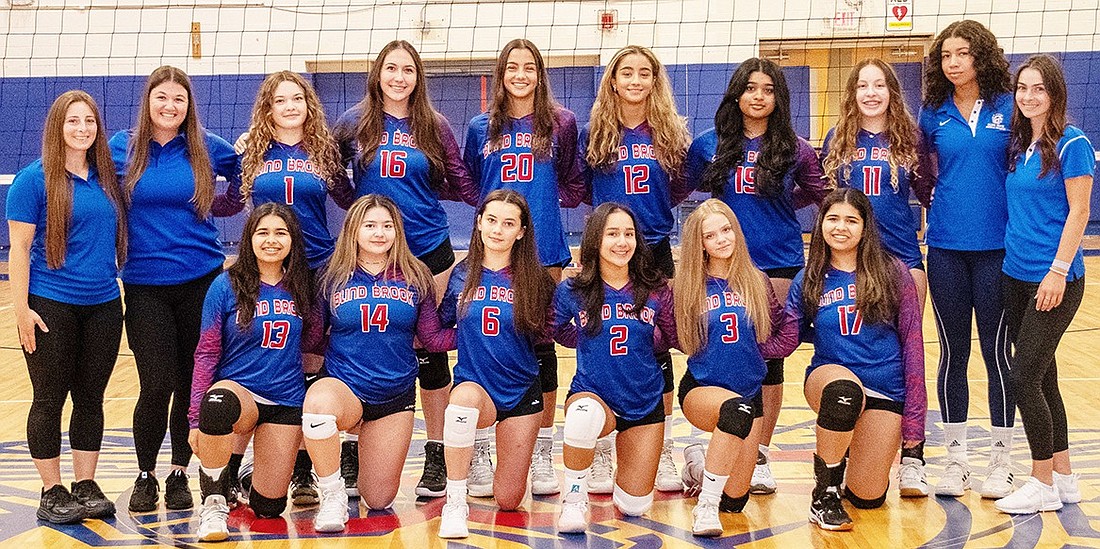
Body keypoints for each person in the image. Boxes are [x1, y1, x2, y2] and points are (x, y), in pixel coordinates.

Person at [333, 40, 477, 498]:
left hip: (426, 250)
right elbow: (335, 181)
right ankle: (353, 446)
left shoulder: (434, 125)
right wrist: (360, 215)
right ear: (378, 74)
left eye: (408, 70)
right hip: (371, 251)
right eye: (391, 69)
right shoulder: (353, 123)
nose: (399, 77)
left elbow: (459, 178)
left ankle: (436, 451)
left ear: (418, 78)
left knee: (428, 349)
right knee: (363, 342)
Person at [687, 57, 829, 495]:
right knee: (724, 349)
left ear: (778, 98)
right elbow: (688, 186)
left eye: (768, 89)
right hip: (721, 262)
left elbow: (821, 193)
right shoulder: (709, 144)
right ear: (737, 93)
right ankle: (719, 440)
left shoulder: (796, 148)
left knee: (768, 360)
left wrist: (781, 199)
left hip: (776, 260)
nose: (759, 96)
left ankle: (760, 453)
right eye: (751, 88)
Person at [109, 65, 242, 512]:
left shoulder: (206, 147)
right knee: (156, 382)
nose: (170, 106)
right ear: (148, 101)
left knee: (192, 383)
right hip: (145, 285)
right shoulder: (121, 148)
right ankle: (146, 474)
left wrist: (226, 203)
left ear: (189, 106)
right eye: (161, 97)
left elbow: (248, 170)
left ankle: (180, 471)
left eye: (179, 99)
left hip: (202, 280)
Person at [463, 38, 585, 497]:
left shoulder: (561, 122)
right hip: (495, 243)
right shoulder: (481, 127)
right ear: (501, 73)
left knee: (540, 338)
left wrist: (545, 207)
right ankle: (477, 446)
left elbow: (573, 178)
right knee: (484, 335)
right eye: (511, 67)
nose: (520, 75)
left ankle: (540, 447)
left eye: (528, 67)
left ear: (540, 73)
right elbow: (477, 183)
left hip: (545, 247)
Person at [7, 90, 127, 524]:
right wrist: (20, 309)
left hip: (104, 305)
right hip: (50, 303)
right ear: (58, 127)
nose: (82, 129)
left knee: (91, 398)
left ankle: (85, 483)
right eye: (73, 121)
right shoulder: (33, 180)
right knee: (49, 398)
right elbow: (18, 249)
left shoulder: (107, 177)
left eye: (89, 122)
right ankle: (52, 489)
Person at [305, 194, 454, 532]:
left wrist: (475, 334)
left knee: (378, 498)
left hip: (394, 396)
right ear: (354, 230)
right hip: (345, 386)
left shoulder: (416, 276)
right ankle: (332, 495)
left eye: (387, 226)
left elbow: (431, 340)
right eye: (370, 225)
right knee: (317, 404)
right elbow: (313, 338)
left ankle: (360, 472)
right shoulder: (332, 276)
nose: (379, 233)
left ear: (397, 231)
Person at [581, 45, 693, 493]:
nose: (634, 80)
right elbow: (578, 184)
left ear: (654, 81)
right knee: (600, 338)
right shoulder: (595, 132)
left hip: (652, 248)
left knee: (656, 344)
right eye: (626, 72)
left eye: (644, 73)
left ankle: (660, 443)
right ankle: (601, 445)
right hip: (607, 248)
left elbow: (681, 184)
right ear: (612, 80)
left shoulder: (668, 132)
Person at [820, 58, 931, 496]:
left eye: (879, 85)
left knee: (907, 356)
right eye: (862, 84)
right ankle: (849, 443)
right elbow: (826, 197)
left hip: (900, 259)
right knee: (849, 349)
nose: (871, 92)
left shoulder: (910, 137)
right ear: (852, 93)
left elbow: (928, 193)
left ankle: (913, 456)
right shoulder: (837, 139)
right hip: (848, 261)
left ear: (892, 91)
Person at [785, 188, 925, 530]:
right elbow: (787, 337)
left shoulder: (893, 272)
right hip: (832, 378)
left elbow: (912, 344)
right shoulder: (810, 278)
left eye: (851, 220)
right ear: (820, 225)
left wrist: (915, 421)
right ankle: (825, 494)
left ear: (865, 227)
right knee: (843, 393)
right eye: (832, 219)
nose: (840, 227)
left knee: (868, 497)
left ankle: (848, 454)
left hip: (884, 387)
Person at [918, 20, 1015, 499]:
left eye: (962, 53)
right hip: (946, 249)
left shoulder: (1010, 107)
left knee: (998, 354)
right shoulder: (931, 114)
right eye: (946, 55)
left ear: (982, 56)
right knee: (953, 352)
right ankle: (955, 461)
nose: (953, 62)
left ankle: (1002, 461)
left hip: (999, 249)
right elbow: (917, 173)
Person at [995, 55, 1093, 515]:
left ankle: (1041, 482)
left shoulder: (1072, 143)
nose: (1029, 96)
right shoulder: (1021, 143)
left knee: (1022, 377)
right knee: (1044, 375)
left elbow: (1079, 212)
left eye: (1038, 88)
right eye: (1022, 88)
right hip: (1015, 273)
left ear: (1055, 93)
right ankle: (1065, 474)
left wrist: (1058, 269)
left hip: (1053, 278)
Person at [187, 203, 320, 542]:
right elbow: (206, 352)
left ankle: (245, 475)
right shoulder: (225, 285)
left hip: (285, 400)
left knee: (269, 507)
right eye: (263, 232)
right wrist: (193, 420)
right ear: (249, 238)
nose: (271, 240)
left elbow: (315, 346)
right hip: (240, 393)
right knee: (216, 403)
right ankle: (213, 503)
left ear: (292, 240)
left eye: (280, 233)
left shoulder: (304, 286)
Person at [673, 199, 797, 536]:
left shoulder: (755, 279)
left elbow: (784, 330)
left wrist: (761, 351)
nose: (722, 239)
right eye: (711, 236)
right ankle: (705, 508)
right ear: (700, 244)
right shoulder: (687, 284)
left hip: (749, 392)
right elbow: (671, 334)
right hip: (703, 388)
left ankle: (698, 465)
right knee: (734, 412)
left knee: (736, 500)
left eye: (726, 230)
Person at [551, 203, 677, 534]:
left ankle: (676, 461)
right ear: (595, 240)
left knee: (635, 507)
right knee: (582, 415)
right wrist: (582, 333)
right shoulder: (573, 289)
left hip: (644, 400)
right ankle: (575, 496)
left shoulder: (655, 288)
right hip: (595, 395)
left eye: (628, 234)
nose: (622, 242)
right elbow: (553, 329)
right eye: (612, 234)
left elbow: (674, 336)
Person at [437, 189, 556, 538]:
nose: (497, 230)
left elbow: (550, 333)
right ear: (478, 223)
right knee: (462, 401)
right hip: (476, 388)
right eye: (491, 220)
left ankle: (489, 448)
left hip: (521, 392)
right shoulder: (462, 275)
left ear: (521, 231)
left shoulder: (535, 279)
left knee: (508, 499)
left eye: (508, 224)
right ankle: (455, 503)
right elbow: (441, 324)